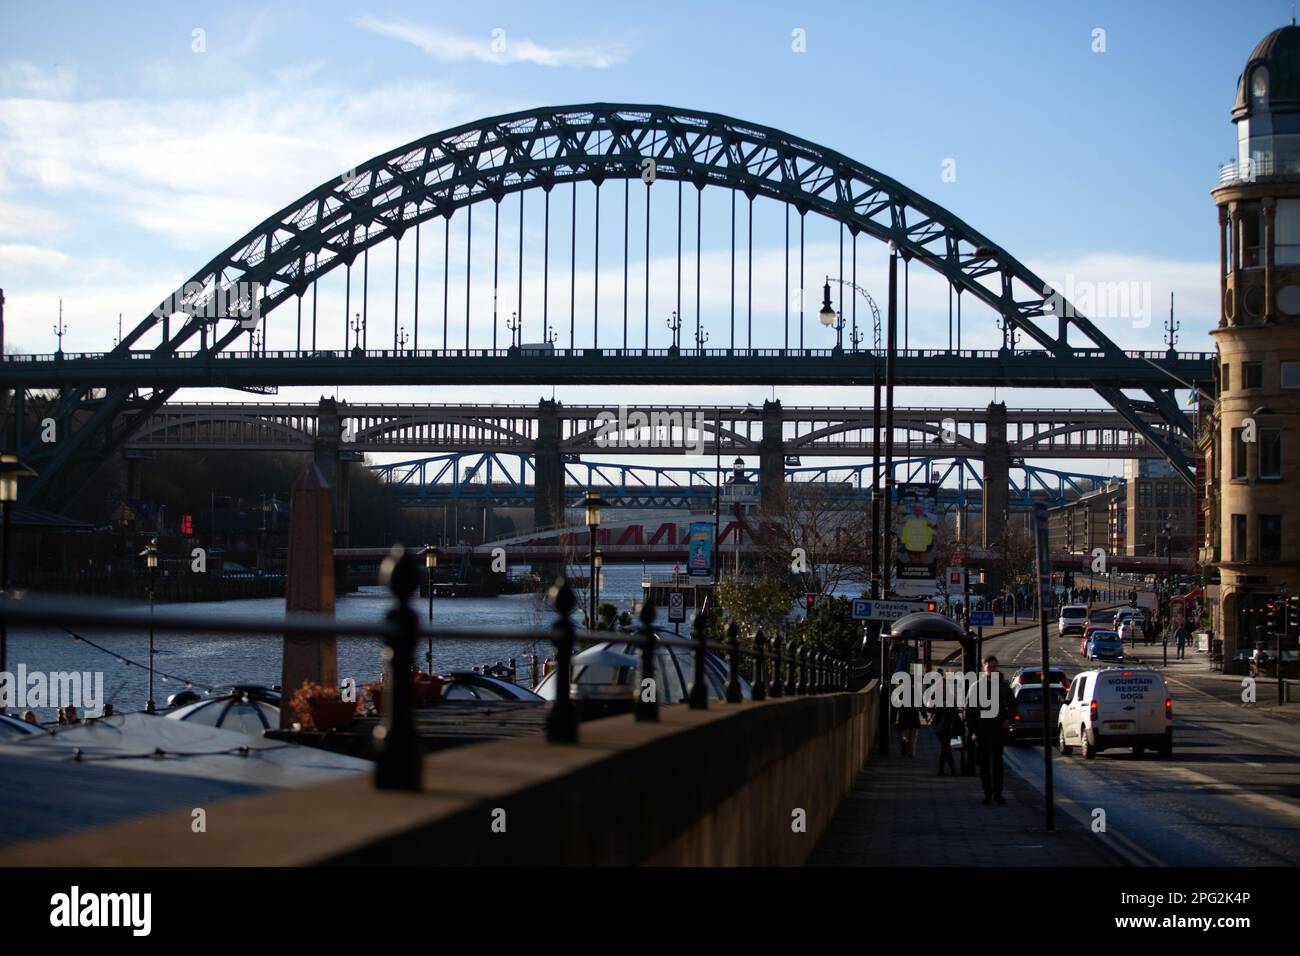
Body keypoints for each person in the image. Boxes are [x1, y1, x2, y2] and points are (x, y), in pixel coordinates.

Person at [973, 655, 1015, 805]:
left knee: (997, 763)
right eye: (989, 667)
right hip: (983, 730)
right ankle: (987, 793)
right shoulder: (977, 686)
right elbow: (969, 709)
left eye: (994, 667)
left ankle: (998, 793)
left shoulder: (1003, 686)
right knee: (984, 764)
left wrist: (1007, 720)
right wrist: (974, 728)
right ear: (984, 669)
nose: (992, 669)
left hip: (998, 730)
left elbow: (1013, 706)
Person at [930, 671, 961, 776]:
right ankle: (949, 770)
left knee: (946, 747)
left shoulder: (951, 695)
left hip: (949, 725)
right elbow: (929, 708)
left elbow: (955, 708)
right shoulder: (934, 695)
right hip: (939, 725)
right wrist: (939, 706)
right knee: (946, 747)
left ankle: (946, 770)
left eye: (943, 684)